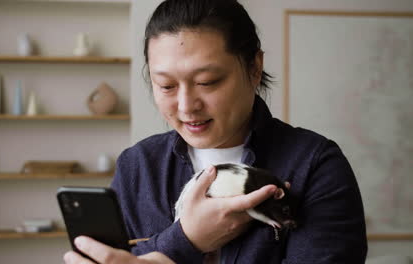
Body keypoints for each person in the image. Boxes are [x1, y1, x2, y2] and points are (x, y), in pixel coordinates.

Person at [64, 0, 368, 263]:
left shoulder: (314, 165)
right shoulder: (138, 166)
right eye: (166, 86)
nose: (186, 107)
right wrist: (187, 239)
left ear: (254, 68)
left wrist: (172, 249)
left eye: (207, 82)